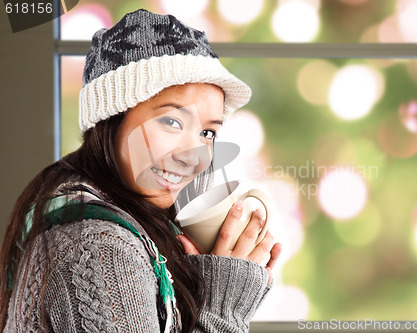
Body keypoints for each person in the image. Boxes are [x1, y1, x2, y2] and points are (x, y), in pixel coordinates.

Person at [0, 9, 281, 333]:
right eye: (171, 122)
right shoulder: (99, 249)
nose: (193, 158)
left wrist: (211, 277)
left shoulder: (125, 226)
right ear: (111, 119)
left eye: (207, 133)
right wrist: (223, 307)